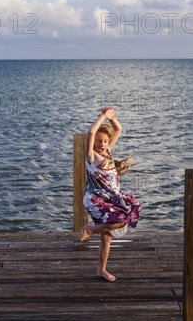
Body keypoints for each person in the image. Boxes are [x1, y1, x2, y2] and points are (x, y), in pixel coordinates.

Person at [80, 107, 141, 282]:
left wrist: (112, 117)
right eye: (98, 141)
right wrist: (103, 117)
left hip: (109, 199)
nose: (102, 144)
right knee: (121, 220)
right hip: (95, 200)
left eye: (105, 141)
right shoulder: (92, 157)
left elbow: (119, 129)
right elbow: (91, 132)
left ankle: (101, 269)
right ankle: (89, 230)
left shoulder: (107, 152)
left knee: (106, 237)